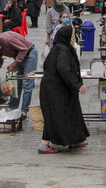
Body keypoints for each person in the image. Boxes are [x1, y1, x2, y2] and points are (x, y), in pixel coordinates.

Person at [38, 25, 89, 154]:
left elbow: (46, 66)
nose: (73, 38)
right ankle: (44, 145)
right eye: (71, 35)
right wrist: (77, 84)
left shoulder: (58, 48)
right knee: (55, 115)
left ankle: (74, 139)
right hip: (54, 89)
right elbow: (63, 69)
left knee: (71, 112)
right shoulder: (63, 51)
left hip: (59, 87)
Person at [0, 30, 39, 115]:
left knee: (27, 84)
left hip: (29, 54)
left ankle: (24, 111)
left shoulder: (7, 39)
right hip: (18, 57)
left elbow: (23, 49)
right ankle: (13, 108)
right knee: (16, 84)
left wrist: (14, 64)